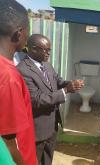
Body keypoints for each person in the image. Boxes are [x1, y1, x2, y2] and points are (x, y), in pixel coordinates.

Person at [17, 34, 84, 165]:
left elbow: (58, 81)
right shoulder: (22, 70)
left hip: (52, 124)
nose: (49, 53)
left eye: (50, 50)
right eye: (46, 50)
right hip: (38, 129)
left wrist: (71, 84)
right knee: (36, 160)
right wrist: (66, 91)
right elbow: (36, 100)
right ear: (34, 49)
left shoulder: (46, 65)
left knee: (48, 158)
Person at [0, 0, 38, 164]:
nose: (28, 38)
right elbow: (9, 143)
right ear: (18, 33)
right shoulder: (9, 76)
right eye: (28, 32)